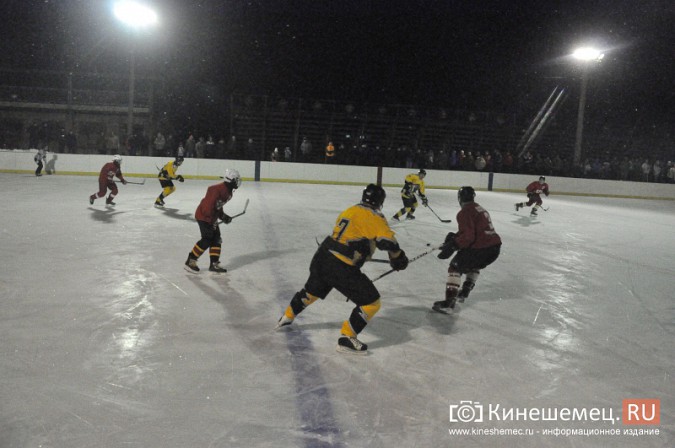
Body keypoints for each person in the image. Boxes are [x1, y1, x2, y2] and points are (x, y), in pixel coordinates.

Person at [276, 184, 409, 355]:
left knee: (311, 292)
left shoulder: (350, 210)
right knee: (371, 302)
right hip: (340, 266)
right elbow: (388, 242)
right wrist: (398, 257)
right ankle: (347, 338)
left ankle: (287, 316)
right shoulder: (375, 216)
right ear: (380, 202)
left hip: (322, 257)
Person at [433, 186, 502, 313]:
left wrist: (453, 246)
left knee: (455, 267)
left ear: (459, 199)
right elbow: (470, 232)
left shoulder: (464, 212)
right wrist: (455, 237)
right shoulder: (478, 208)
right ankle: (464, 292)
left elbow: (468, 237)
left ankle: (449, 303)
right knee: (473, 263)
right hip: (494, 248)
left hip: (483, 248)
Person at [184, 169, 242, 274]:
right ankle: (190, 261)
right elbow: (207, 207)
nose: (238, 182)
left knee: (217, 239)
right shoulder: (216, 190)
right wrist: (210, 221)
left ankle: (214, 264)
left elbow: (218, 206)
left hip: (212, 218)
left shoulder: (229, 192)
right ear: (230, 180)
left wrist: (223, 216)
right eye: (236, 180)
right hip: (204, 216)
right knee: (207, 239)